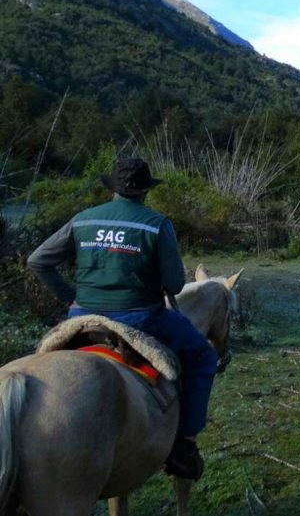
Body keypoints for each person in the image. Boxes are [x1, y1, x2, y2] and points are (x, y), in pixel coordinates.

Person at [27, 158, 217, 481]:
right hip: (141, 319)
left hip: (82, 317)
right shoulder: (156, 224)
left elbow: (37, 261)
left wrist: (67, 295)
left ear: (113, 188)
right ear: (145, 190)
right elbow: (175, 285)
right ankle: (183, 446)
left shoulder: (82, 219)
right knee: (204, 357)